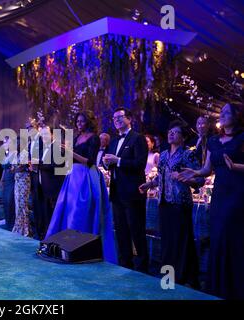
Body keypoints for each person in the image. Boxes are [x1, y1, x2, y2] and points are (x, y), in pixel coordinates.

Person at [179, 103, 244, 299]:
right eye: (221, 113)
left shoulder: (242, 138)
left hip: (238, 193)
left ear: (237, 116)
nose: (222, 116)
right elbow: (208, 168)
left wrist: (236, 167)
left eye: (226, 113)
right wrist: (195, 172)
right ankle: (219, 286)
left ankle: (237, 287)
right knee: (218, 237)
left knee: (231, 237)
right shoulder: (214, 141)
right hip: (219, 194)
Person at [140, 121, 204, 288]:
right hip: (163, 202)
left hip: (180, 203)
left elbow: (200, 179)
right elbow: (161, 176)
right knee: (167, 241)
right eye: (170, 131)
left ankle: (184, 277)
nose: (171, 134)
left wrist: (185, 178)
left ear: (182, 138)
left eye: (176, 132)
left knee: (182, 240)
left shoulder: (187, 155)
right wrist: (149, 184)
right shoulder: (163, 155)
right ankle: (169, 276)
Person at [46, 113, 117, 263]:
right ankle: (65, 246)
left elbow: (90, 161)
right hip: (73, 176)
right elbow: (71, 158)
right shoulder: (77, 137)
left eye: (82, 121)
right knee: (67, 209)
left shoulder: (94, 138)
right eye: (77, 121)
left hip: (86, 175)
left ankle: (80, 247)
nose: (79, 124)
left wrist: (70, 152)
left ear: (88, 122)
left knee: (80, 210)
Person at [103, 107, 148, 272]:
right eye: (114, 118)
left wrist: (118, 160)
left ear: (129, 119)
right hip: (116, 192)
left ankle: (142, 268)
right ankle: (125, 264)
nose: (116, 120)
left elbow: (140, 164)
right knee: (121, 230)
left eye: (120, 117)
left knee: (136, 230)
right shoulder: (114, 141)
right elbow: (109, 162)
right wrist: (106, 163)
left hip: (132, 192)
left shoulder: (138, 138)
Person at [37, 126, 65, 240]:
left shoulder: (58, 147)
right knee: (47, 215)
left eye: (46, 134)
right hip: (43, 187)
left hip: (54, 187)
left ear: (53, 135)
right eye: (42, 134)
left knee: (54, 216)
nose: (43, 137)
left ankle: (54, 240)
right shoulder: (44, 149)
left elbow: (58, 165)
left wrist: (39, 165)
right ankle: (47, 238)